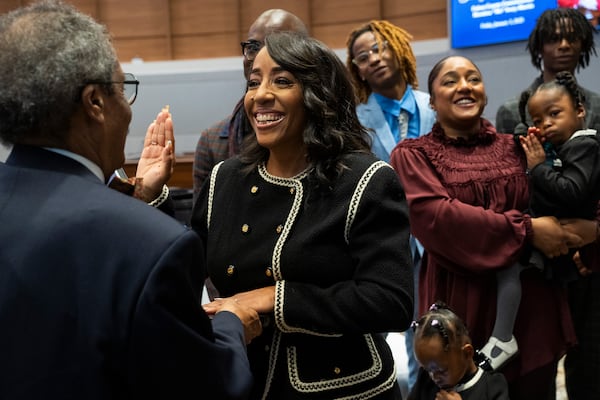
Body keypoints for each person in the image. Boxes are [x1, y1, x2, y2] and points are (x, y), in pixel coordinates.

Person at [0, 1, 262, 399]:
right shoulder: (153, 244)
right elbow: (210, 387)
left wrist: (140, 201)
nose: (127, 109)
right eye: (124, 89)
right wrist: (230, 325)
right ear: (95, 103)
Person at [193, 31, 414, 399]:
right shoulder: (225, 178)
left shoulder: (366, 178)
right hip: (245, 380)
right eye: (253, 82)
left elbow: (391, 302)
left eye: (282, 81)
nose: (261, 94)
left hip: (343, 388)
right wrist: (150, 199)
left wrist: (273, 298)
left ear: (318, 93)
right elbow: (180, 267)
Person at [389, 55, 586, 400]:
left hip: (532, 309)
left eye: (473, 79)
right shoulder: (412, 156)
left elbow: (565, 193)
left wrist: (587, 231)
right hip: (461, 307)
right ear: (431, 100)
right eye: (450, 81)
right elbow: (439, 220)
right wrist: (528, 231)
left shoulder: (520, 146)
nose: (464, 86)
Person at [495, 8, 600, 399]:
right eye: (554, 38)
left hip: (593, 247)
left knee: (590, 360)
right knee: (537, 355)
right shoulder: (511, 110)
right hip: (539, 244)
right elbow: (513, 182)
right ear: (539, 46)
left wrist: (592, 231)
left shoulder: (596, 104)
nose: (564, 44)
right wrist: (546, 233)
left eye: (572, 37)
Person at [345, 19, 436, 394]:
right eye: (362, 56)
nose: (374, 58)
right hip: (380, 240)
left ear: (399, 48)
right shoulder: (354, 119)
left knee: (430, 329)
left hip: (436, 239)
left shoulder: (436, 105)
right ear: (357, 70)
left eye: (380, 47)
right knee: (367, 331)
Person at [192, 9, 308, 201]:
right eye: (254, 47)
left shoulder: (332, 137)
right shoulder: (212, 141)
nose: (261, 55)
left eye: (277, 45)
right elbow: (203, 225)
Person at [408, 302, 509, 400]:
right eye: (428, 370)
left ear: (467, 353)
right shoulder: (426, 381)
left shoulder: (492, 387)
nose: (434, 377)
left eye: (442, 371)